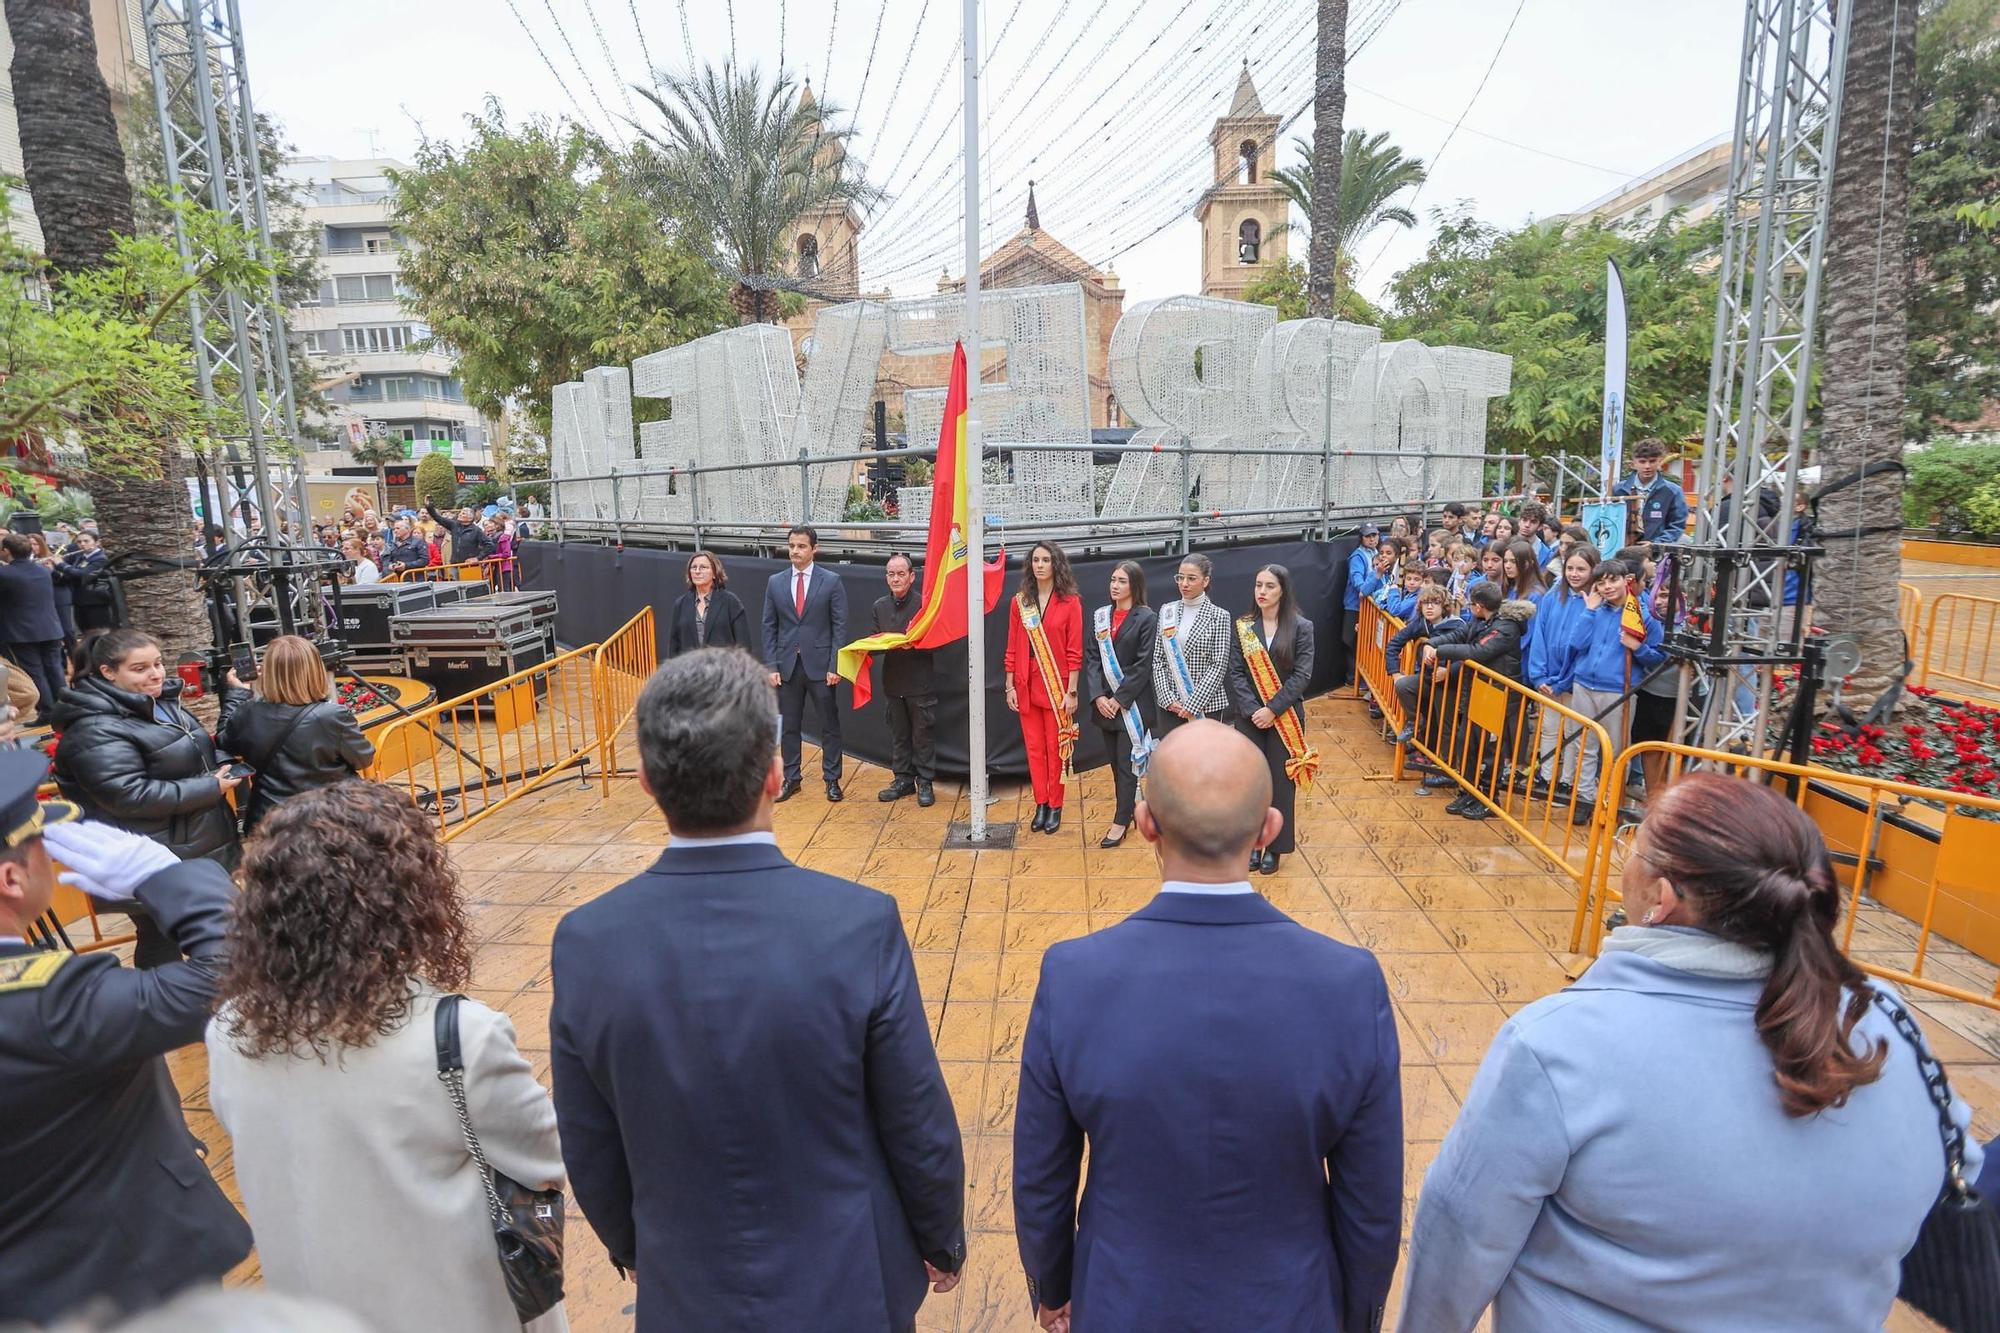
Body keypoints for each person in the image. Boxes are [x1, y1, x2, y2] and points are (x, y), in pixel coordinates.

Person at [1400, 772, 1974, 1332]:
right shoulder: (1888, 1023)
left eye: (1634, 844)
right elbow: (1958, 1165)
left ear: (1661, 896)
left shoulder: (1561, 1047)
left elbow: (1459, 1239)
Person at [550, 649, 965, 1331]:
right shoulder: (859, 925)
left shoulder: (586, 942)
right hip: (850, 1290)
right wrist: (939, 1237)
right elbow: (916, 1120)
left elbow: (589, 1144)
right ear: (774, 773)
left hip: (685, 1294)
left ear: (648, 781)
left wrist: (638, 1249)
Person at [1013, 721, 1402, 1333]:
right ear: (1268, 830)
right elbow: (1372, 1204)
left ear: (1145, 824)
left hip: (1123, 1302)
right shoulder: (1350, 985)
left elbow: (1042, 1175)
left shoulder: (1073, 978)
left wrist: (1053, 1283)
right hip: (1291, 1308)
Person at [207, 781, 568, 1333]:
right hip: (448, 1306)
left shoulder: (230, 1028)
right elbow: (544, 1159)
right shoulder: (458, 1034)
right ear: (409, 898)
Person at [0, 750, 252, 1325]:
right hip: (109, 1287)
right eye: (40, 844)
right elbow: (238, 970)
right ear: (11, 878)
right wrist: (169, 875)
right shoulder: (46, 1003)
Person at [52, 629, 245, 967]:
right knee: (161, 940)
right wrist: (209, 788)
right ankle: (168, 1014)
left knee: (206, 936)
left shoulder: (160, 703)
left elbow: (186, 756)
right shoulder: (94, 729)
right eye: (140, 668)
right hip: (149, 854)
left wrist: (220, 763)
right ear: (108, 672)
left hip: (190, 844)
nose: (155, 673)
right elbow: (128, 794)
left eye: (157, 664)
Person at [217, 636, 376, 834]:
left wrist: (237, 693)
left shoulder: (247, 712)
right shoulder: (331, 716)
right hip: (328, 818)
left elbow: (224, 740)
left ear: (268, 673)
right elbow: (363, 758)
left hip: (272, 822)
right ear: (314, 670)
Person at [1556, 558, 1663, 826]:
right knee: (1584, 747)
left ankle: (1610, 801)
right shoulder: (1596, 609)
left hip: (1618, 690)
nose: (1606, 587)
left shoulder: (1641, 613)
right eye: (1601, 583)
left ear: (1625, 580)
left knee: (1616, 752)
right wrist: (1589, 611)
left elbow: (1658, 658)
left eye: (1612, 580)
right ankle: (1584, 799)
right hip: (1584, 684)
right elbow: (1577, 643)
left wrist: (1638, 648)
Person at [1225, 564, 1315, 875]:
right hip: (1249, 717)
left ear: (1283, 591)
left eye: (1269, 587)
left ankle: (1274, 847)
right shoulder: (1244, 627)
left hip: (1285, 716)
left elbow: (1302, 675)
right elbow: (1235, 672)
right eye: (1258, 585)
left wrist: (1272, 710)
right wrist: (1253, 710)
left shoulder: (1302, 627)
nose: (1261, 592)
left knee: (1280, 783)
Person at [761, 525, 848, 802]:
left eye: (801, 546)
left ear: (814, 549)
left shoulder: (831, 580)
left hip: (821, 667)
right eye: (791, 546)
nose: (795, 551)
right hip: (787, 666)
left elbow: (840, 626)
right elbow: (769, 626)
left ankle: (832, 780)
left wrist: (835, 665)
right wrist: (772, 665)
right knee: (789, 726)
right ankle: (792, 778)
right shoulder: (775, 582)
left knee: (829, 725)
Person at [1004, 542, 1084, 836]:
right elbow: (1012, 646)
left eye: (1045, 560)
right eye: (1035, 560)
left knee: (1056, 749)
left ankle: (1056, 805)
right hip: (1026, 685)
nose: (1039, 565)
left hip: (1056, 687)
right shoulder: (1020, 602)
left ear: (1056, 565)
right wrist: (1009, 685)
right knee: (1035, 750)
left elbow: (1075, 651)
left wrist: (1072, 691)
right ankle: (1040, 803)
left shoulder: (1070, 602)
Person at [1081, 560, 1156, 849]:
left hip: (1131, 707)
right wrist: (1099, 696)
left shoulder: (1146, 618)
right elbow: (1092, 658)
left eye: (1122, 581)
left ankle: (1120, 822)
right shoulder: (1101, 616)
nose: (1115, 585)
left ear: (1134, 585)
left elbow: (1143, 664)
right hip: (1105, 708)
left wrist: (1119, 699)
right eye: (1113, 579)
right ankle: (1133, 808)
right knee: (1115, 765)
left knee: (1127, 767)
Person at [1522, 544, 1600, 797]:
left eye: (1581, 569)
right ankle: (1546, 776)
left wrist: (1563, 680)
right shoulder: (1552, 597)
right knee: (1549, 728)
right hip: (1547, 679)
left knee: (1573, 733)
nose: (1575, 574)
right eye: (1570, 568)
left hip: (1573, 681)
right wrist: (1539, 676)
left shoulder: (1596, 605)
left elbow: (1585, 647)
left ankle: (1567, 780)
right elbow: (1540, 638)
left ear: (1593, 570)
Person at [871, 553, 938, 807]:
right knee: (898, 734)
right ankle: (902, 780)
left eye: (901, 574)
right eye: (891, 574)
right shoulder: (879, 606)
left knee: (922, 735)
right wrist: (873, 644)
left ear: (912, 577)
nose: (895, 578)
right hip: (893, 683)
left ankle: (925, 782)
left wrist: (917, 644)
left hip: (921, 683)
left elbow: (937, 641)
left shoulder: (925, 605)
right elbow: (875, 641)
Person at [1152, 552, 1233, 735]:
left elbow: (1218, 665)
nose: (1184, 584)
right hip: (1171, 707)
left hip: (1206, 705)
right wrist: (1167, 698)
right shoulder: (1167, 611)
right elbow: (1158, 660)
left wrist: (1193, 704)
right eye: (1180, 578)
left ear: (1205, 581)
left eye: (1191, 578)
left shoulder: (1219, 616)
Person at [0, 533, 68, 724]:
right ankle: (65, 708)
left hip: (20, 633)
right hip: (50, 628)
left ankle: (47, 712)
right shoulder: (43, 571)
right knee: (55, 669)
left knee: (35, 673)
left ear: (6, 550)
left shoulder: (4, 574)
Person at [667, 550, 750, 657]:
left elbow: (743, 645)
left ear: (715, 573)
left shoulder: (730, 601)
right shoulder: (681, 604)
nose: (697, 571)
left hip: (722, 669)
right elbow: (674, 644)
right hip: (690, 670)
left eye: (703, 567)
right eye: (694, 567)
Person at [1612, 436, 1688, 544]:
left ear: (1660, 461)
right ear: (1633, 464)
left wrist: (1656, 544)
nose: (1647, 466)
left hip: (1656, 554)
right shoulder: (1619, 490)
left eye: (1652, 461)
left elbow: (1677, 525)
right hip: (1622, 551)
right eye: (1642, 462)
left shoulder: (1673, 491)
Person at [1339, 523, 1384, 685]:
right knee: (1350, 641)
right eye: (1368, 536)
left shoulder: (1379, 552)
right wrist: (1372, 581)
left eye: (1375, 535)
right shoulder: (1357, 557)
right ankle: (1354, 679)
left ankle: (1363, 680)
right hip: (1355, 606)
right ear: (1361, 538)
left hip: (1372, 606)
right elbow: (1359, 584)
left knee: (1368, 642)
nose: (1372, 539)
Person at [57, 529, 115, 631]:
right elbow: (70, 577)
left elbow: (82, 574)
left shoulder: (100, 559)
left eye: (86, 541)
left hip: (95, 603)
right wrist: (52, 569)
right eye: (79, 542)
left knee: (98, 634)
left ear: (97, 542)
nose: (82, 544)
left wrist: (61, 564)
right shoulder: (80, 557)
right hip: (80, 602)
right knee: (85, 633)